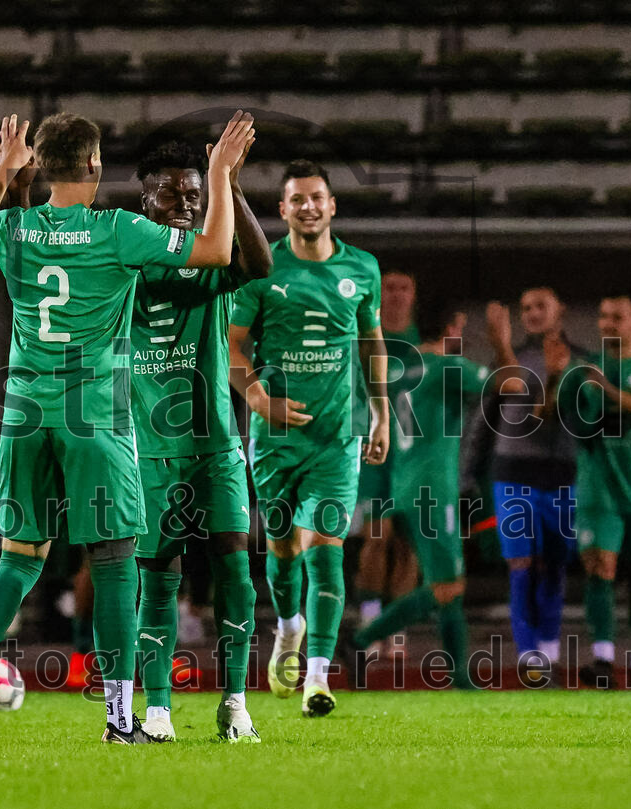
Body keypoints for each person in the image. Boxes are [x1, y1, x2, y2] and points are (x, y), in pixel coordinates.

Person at [0, 110, 254, 743]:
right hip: (94, 413)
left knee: (19, 559)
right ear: (94, 164)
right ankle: (119, 718)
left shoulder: (14, 226)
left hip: (25, 411)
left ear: (40, 164)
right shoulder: (118, 229)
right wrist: (221, 174)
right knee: (114, 563)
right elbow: (218, 251)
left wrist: (2, 177)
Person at [228, 160, 390, 717]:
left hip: (337, 440)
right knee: (281, 548)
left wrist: (381, 413)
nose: (308, 207)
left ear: (332, 204)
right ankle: (289, 625)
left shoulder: (362, 268)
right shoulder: (262, 267)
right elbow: (231, 345)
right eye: (297, 199)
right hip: (275, 440)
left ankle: (318, 677)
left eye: (317, 196)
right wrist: (257, 398)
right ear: (283, 210)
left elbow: (371, 342)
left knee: (325, 549)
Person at [130, 139, 270, 742]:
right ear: (144, 200)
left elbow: (260, 265)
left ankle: (234, 703)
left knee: (236, 574)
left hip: (216, 447)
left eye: (194, 193)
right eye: (171, 193)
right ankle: (158, 710)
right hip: (149, 451)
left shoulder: (210, 257)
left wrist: (230, 186)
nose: (185, 203)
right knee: (158, 581)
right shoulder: (125, 260)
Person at [351, 301, 521, 689]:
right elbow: (514, 385)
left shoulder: (399, 370)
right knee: (447, 586)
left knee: (446, 584)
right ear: (450, 328)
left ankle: (458, 677)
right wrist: (501, 343)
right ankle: (360, 640)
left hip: (404, 485)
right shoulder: (448, 367)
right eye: (460, 327)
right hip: (433, 489)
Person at [550, 296, 631, 690]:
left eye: (617, 317)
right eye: (603, 316)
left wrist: (608, 391)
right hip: (597, 487)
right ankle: (602, 660)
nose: (608, 323)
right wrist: (554, 377)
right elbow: (550, 412)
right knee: (599, 567)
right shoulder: (583, 369)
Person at [485, 287, 585, 680]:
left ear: (561, 310)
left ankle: (549, 648)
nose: (532, 313)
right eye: (525, 307)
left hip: (562, 476)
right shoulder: (510, 359)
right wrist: (467, 475)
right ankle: (529, 656)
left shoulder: (582, 362)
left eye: (541, 306)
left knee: (554, 565)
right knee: (521, 563)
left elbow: (570, 417)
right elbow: (484, 420)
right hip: (513, 473)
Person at [354, 269, 420, 652]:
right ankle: (370, 618)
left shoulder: (425, 343)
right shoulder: (366, 339)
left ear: (413, 294)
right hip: (375, 454)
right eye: (389, 288)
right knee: (377, 537)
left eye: (403, 287)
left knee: (409, 542)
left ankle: (397, 624)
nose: (396, 294)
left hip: (415, 456)